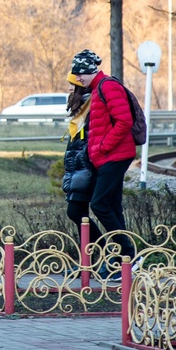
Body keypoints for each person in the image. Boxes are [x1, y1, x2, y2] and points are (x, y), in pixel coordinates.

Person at [69, 48, 136, 269]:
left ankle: (127, 254)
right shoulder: (98, 88)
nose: (77, 78)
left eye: (80, 73)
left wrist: (101, 147)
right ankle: (123, 261)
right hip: (107, 157)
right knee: (113, 207)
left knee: (99, 204)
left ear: (90, 70)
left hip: (114, 155)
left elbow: (124, 121)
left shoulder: (107, 86)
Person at [61, 73, 100, 249]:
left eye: (72, 84)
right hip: (79, 170)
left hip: (85, 169)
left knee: (76, 212)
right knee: (79, 215)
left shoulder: (89, 107)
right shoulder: (82, 107)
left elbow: (87, 142)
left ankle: (106, 252)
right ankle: (89, 261)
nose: (69, 88)